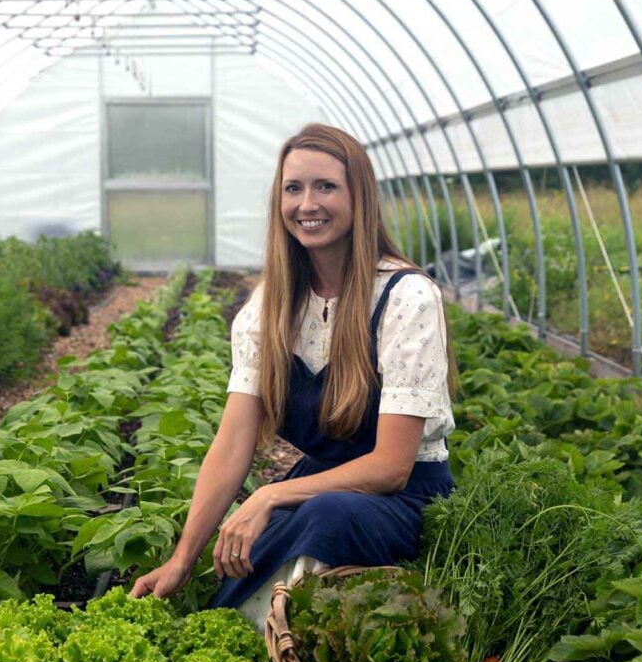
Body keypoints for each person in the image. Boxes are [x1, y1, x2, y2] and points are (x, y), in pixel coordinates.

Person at [131, 123, 455, 627]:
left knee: (324, 517)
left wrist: (270, 494)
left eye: (326, 186)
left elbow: (392, 467)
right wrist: (182, 558)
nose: (307, 204)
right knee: (250, 549)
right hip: (321, 491)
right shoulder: (272, 307)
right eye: (293, 188)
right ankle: (252, 636)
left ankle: (281, 643)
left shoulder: (405, 297)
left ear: (359, 196)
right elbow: (232, 444)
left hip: (403, 498)